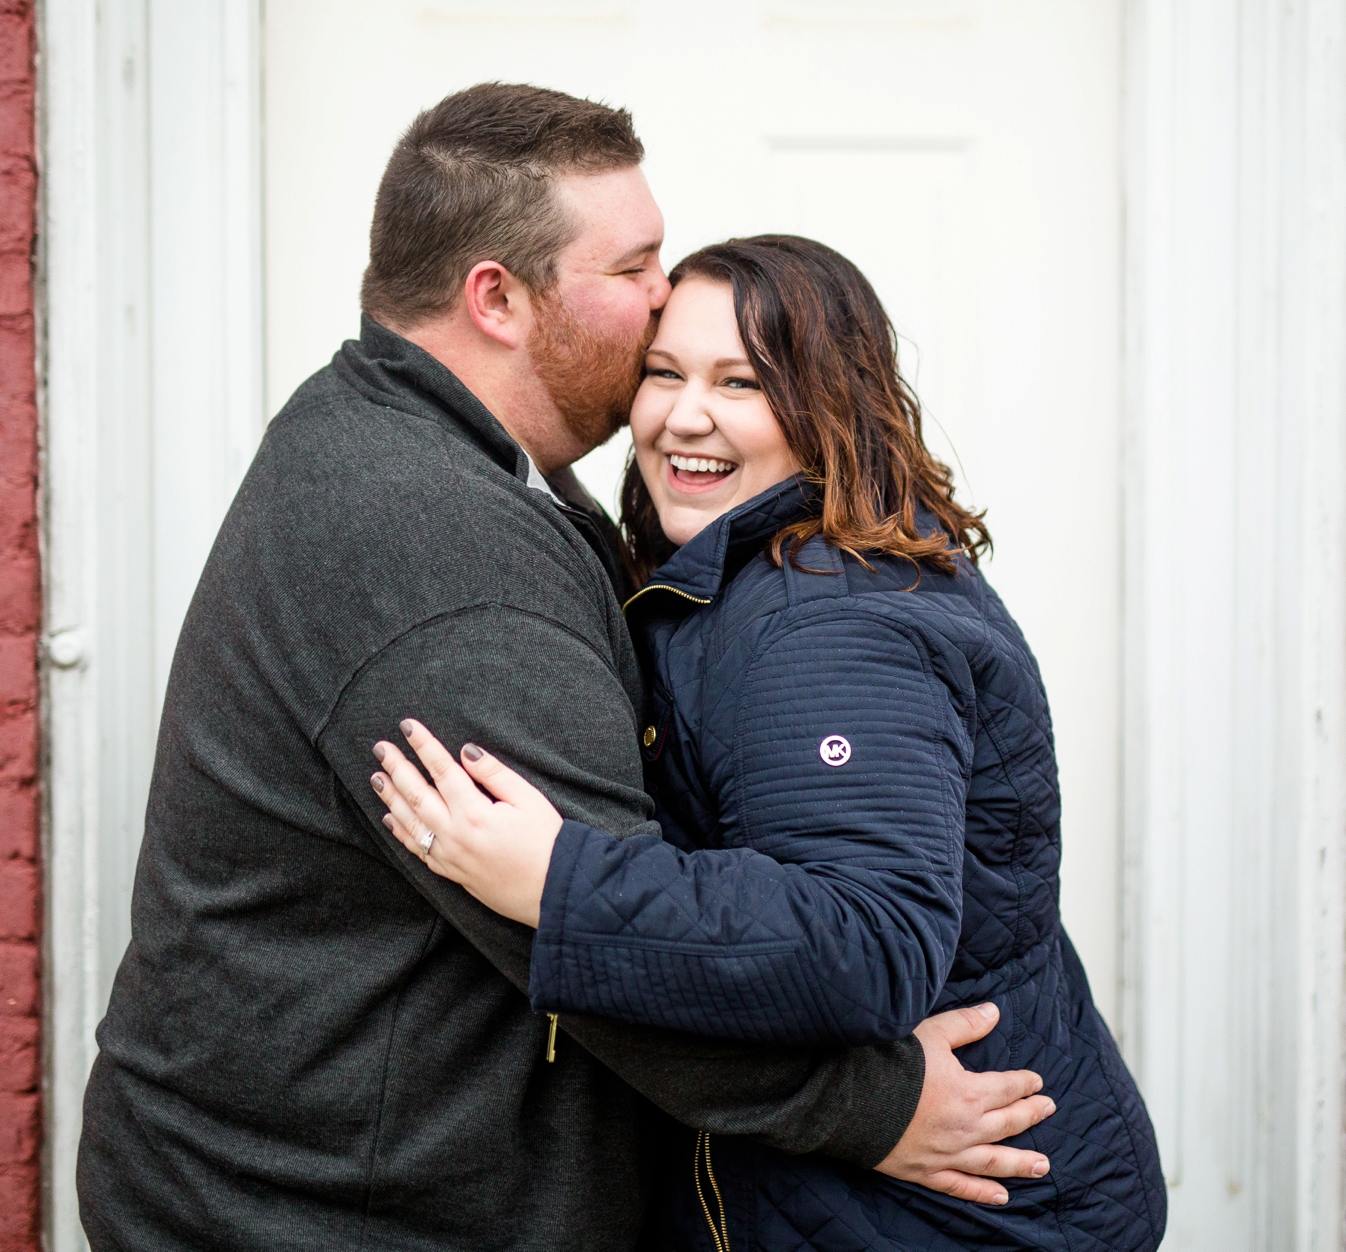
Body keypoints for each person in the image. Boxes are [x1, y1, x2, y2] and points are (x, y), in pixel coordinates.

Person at [75, 87, 1058, 1250]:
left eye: (739, 376)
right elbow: (602, 956)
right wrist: (874, 1103)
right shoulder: (433, 540)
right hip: (316, 1208)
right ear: (497, 297)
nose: (662, 293)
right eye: (634, 266)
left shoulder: (438, 443)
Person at [371, 235, 1167, 1251]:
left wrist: (559, 879)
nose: (683, 414)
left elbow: (865, 938)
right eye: (663, 373)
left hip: (951, 1214)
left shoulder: (822, 621)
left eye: (739, 382)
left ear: (825, 405)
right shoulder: (756, 573)